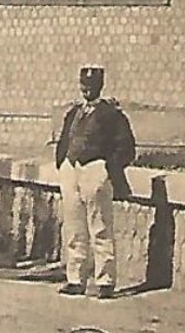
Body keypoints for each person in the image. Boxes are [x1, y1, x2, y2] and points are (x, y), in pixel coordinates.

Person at [53, 65, 137, 298]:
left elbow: (126, 147)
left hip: (95, 169)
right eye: (84, 85)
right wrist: (62, 164)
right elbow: (64, 139)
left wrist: (108, 169)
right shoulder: (73, 113)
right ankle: (75, 279)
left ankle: (105, 280)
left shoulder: (111, 115)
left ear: (100, 86)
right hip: (72, 170)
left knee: (100, 226)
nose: (86, 90)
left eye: (91, 86)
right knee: (74, 227)